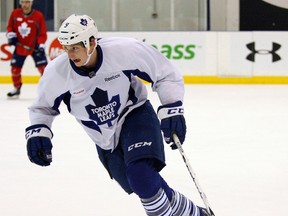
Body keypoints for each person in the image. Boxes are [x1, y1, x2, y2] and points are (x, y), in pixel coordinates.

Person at [24, 14, 209, 216]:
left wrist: (172, 108)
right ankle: (195, 214)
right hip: (104, 139)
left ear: (91, 42)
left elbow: (164, 73)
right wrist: (38, 134)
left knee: (140, 175)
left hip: (134, 115)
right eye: (66, 48)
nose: (70, 54)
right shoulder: (57, 73)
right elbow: (42, 107)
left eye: (75, 47)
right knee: (144, 184)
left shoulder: (124, 51)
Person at [6, 0, 48, 98]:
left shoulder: (38, 16)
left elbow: (42, 33)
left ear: (31, 3)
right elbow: (10, 28)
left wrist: (41, 44)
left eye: (27, 2)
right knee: (15, 69)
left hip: (35, 47)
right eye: (23, 2)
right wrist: (11, 36)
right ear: (21, 3)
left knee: (45, 70)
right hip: (20, 47)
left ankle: (48, 89)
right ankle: (17, 88)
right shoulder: (15, 14)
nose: (25, 4)